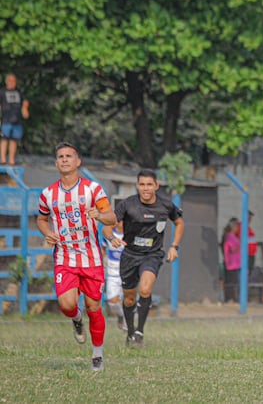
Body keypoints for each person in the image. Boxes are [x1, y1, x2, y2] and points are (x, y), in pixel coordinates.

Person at [36, 142, 117, 371]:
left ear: (78, 161)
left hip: (91, 258)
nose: (64, 159)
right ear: (56, 163)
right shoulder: (48, 194)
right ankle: (76, 318)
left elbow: (111, 216)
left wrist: (100, 216)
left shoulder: (93, 190)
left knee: (94, 306)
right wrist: (47, 233)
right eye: (60, 156)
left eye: (69, 156)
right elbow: (41, 219)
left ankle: (97, 354)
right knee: (66, 304)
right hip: (65, 258)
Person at [113, 168, 185, 347]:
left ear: (156, 186)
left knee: (145, 290)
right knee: (129, 298)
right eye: (142, 184)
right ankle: (130, 332)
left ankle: (139, 332)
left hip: (152, 254)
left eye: (149, 185)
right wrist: (111, 237)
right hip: (129, 255)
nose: (146, 188)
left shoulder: (166, 205)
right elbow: (111, 223)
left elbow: (179, 222)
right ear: (137, 186)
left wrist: (174, 246)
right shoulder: (127, 204)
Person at [0, 73, 30, 166]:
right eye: (10, 81)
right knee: (4, 139)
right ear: (6, 82)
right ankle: (3, 159)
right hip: (6, 119)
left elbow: (25, 101)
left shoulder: (19, 92)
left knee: (14, 140)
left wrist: (25, 108)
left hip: (17, 120)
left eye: (14, 81)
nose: (12, 83)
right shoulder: (2, 92)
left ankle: (11, 160)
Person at [102, 224, 128, 331]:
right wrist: (104, 260)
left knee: (126, 299)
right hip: (112, 272)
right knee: (112, 302)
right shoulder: (109, 234)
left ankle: (127, 325)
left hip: (126, 272)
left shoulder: (129, 234)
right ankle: (121, 315)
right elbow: (103, 248)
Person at [222, 218, 241, 303]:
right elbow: (232, 250)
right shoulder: (229, 236)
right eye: (237, 226)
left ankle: (233, 298)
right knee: (231, 282)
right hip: (231, 264)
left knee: (234, 282)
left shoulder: (234, 236)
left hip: (236, 263)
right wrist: (240, 245)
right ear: (233, 227)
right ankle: (230, 298)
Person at [243, 211, 258, 278]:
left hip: (251, 254)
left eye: (250, 218)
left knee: (248, 273)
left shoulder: (249, 228)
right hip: (246, 255)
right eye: (248, 217)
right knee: (245, 273)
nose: (249, 219)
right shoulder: (242, 227)